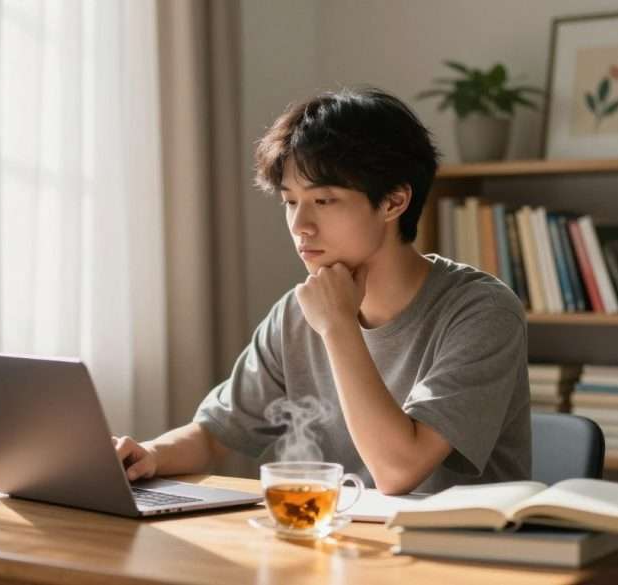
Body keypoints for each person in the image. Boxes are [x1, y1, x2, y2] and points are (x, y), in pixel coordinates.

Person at [114, 87, 530, 495]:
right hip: (337, 534)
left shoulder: (483, 312)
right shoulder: (297, 314)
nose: (300, 226)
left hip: (457, 539)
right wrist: (149, 454)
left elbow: (398, 471)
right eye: (290, 202)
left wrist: (338, 326)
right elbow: (213, 434)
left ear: (394, 202)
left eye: (324, 201)